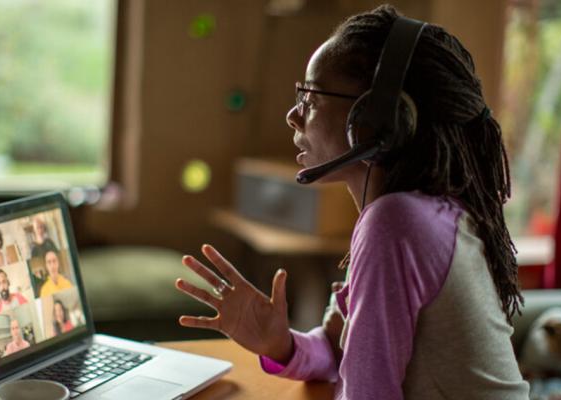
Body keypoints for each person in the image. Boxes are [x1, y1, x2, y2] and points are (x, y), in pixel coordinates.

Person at [175, 5, 529, 399]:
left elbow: (367, 392)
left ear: (377, 119)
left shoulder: (397, 223)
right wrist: (279, 343)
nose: (293, 116)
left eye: (310, 98)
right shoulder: (425, 211)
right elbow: (338, 351)